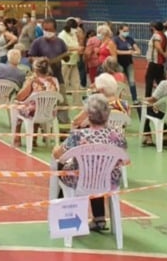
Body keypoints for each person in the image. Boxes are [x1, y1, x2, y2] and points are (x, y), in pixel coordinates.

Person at [52, 94, 127, 232]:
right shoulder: (118, 136)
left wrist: (56, 149)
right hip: (109, 181)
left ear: (89, 115)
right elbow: (123, 159)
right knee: (98, 169)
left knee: (61, 166)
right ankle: (99, 218)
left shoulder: (79, 135)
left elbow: (59, 155)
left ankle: (64, 218)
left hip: (81, 182)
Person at [11, 58, 60, 147]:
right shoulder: (54, 81)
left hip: (34, 112)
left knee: (17, 105)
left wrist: (28, 83)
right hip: (50, 112)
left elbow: (20, 97)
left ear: (35, 70)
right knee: (36, 107)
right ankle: (34, 138)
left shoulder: (33, 81)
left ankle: (17, 138)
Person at [113, 24, 140, 101]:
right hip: (119, 63)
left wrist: (136, 52)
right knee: (120, 82)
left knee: (132, 81)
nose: (126, 32)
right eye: (124, 31)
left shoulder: (130, 39)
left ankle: (135, 99)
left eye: (127, 31)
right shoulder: (115, 39)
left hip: (129, 63)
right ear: (120, 30)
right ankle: (117, 99)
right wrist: (128, 52)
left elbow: (137, 50)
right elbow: (115, 51)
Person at [144, 21, 167, 99]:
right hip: (160, 62)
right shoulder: (164, 36)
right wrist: (166, 54)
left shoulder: (156, 35)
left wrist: (163, 54)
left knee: (149, 80)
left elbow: (157, 46)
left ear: (154, 28)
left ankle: (147, 97)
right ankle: (164, 95)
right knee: (160, 80)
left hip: (154, 61)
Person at [58, 18, 82, 98]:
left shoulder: (73, 34)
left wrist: (79, 49)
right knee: (63, 82)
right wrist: (76, 49)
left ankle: (77, 102)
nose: (76, 30)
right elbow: (64, 47)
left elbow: (76, 44)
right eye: (75, 28)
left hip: (74, 61)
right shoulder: (62, 35)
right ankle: (61, 101)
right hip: (65, 62)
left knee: (76, 82)